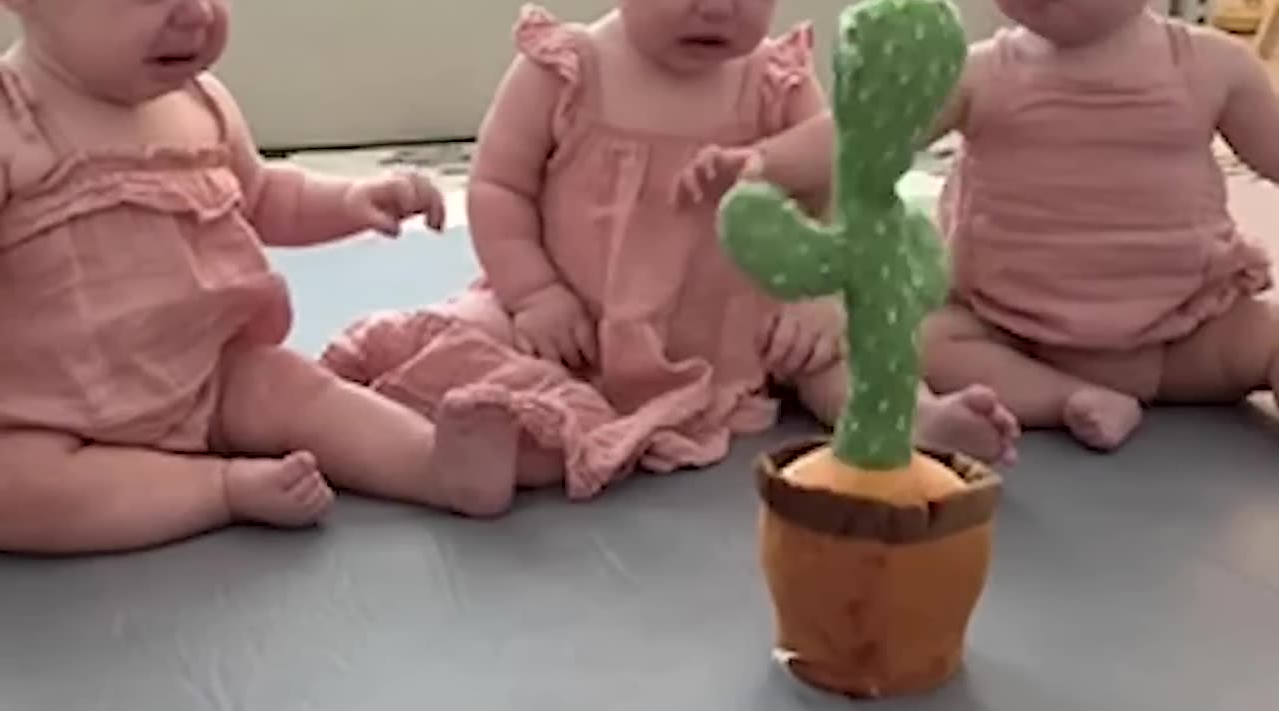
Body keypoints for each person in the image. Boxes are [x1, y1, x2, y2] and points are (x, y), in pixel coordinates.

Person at [321, 0, 1021, 518]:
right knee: (476, 333)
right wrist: (534, 293)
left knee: (835, 355)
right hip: (577, 322)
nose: (714, 7)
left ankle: (913, 418)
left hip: (740, 327)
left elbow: (826, 189)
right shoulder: (566, 69)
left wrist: (816, 298)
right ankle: (493, 443)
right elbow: (501, 187)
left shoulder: (775, 80)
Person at [0, 0, 515, 555]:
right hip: (52, 413)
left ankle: (430, 465)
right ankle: (218, 490)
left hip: (211, 377)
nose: (196, 14)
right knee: (16, 491)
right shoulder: (12, 123)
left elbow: (263, 196)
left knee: (298, 390)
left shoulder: (201, 104)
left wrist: (348, 201)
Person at [917, 0, 1279, 450]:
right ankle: (1070, 398)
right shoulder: (977, 73)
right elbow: (864, 147)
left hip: (1183, 335)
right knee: (921, 344)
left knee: (1270, 334)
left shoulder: (1215, 66)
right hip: (1015, 334)